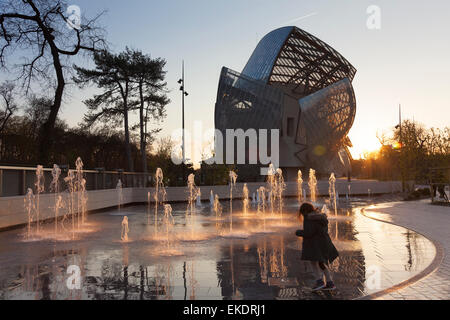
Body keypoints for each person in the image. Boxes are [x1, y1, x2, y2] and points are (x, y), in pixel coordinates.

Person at [295, 202, 339, 291]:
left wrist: (298, 232)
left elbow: (309, 232)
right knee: (321, 263)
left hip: (316, 245)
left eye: (302, 212)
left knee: (313, 262)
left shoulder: (309, 218)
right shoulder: (319, 217)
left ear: (304, 211)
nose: (302, 214)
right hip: (324, 243)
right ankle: (330, 283)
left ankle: (319, 282)